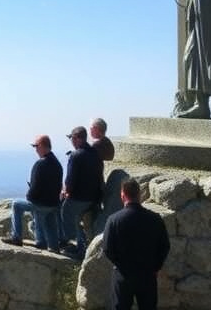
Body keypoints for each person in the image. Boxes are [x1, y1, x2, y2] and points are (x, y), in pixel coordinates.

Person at [103, 177, 171, 310]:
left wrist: (119, 264)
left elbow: (107, 249)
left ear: (122, 195)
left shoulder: (113, 220)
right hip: (147, 275)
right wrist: (156, 267)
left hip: (123, 275)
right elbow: (165, 246)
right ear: (139, 194)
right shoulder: (155, 219)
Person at [1, 135, 62, 252]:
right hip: (53, 203)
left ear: (44, 146)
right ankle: (52, 246)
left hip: (40, 203)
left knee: (16, 204)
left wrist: (29, 197)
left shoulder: (40, 164)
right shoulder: (57, 164)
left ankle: (16, 237)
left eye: (36, 146)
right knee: (50, 222)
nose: (35, 149)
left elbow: (35, 187)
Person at [59, 126, 103, 258]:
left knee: (66, 210)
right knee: (76, 216)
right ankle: (81, 246)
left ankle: (72, 243)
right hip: (95, 198)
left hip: (80, 197)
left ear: (77, 138)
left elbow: (70, 180)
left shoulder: (76, 155)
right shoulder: (95, 153)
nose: (71, 141)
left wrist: (66, 192)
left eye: (71, 138)